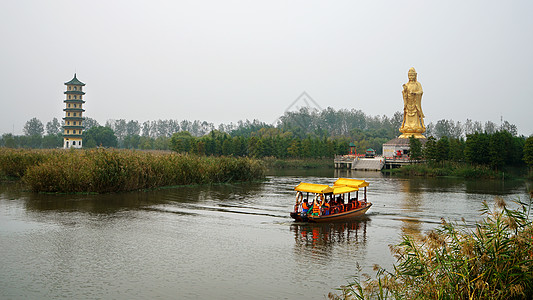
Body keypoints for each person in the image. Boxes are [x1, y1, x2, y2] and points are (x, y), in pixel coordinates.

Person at [399, 67, 425, 138]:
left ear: (415, 75)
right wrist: (405, 91)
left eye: (412, 75)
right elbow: (404, 93)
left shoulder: (418, 84)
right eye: (409, 75)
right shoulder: (407, 84)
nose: (411, 77)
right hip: (408, 104)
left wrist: (415, 93)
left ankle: (416, 126)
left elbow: (421, 92)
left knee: (416, 120)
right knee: (407, 120)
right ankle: (407, 126)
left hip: (415, 103)